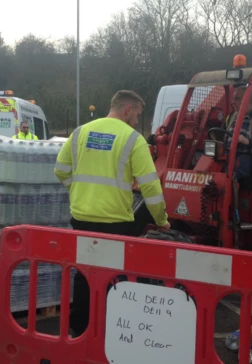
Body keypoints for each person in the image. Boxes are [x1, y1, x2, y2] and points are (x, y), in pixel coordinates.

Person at [53, 90, 169, 337]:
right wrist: (161, 220)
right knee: (115, 277)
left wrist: (78, 190)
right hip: (117, 222)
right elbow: (150, 186)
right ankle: (112, 331)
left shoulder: (80, 132)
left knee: (84, 274)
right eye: (137, 114)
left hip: (82, 217)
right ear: (127, 110)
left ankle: (79, 329)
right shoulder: (132, 139)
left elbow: (61, 170)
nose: (137, 121)